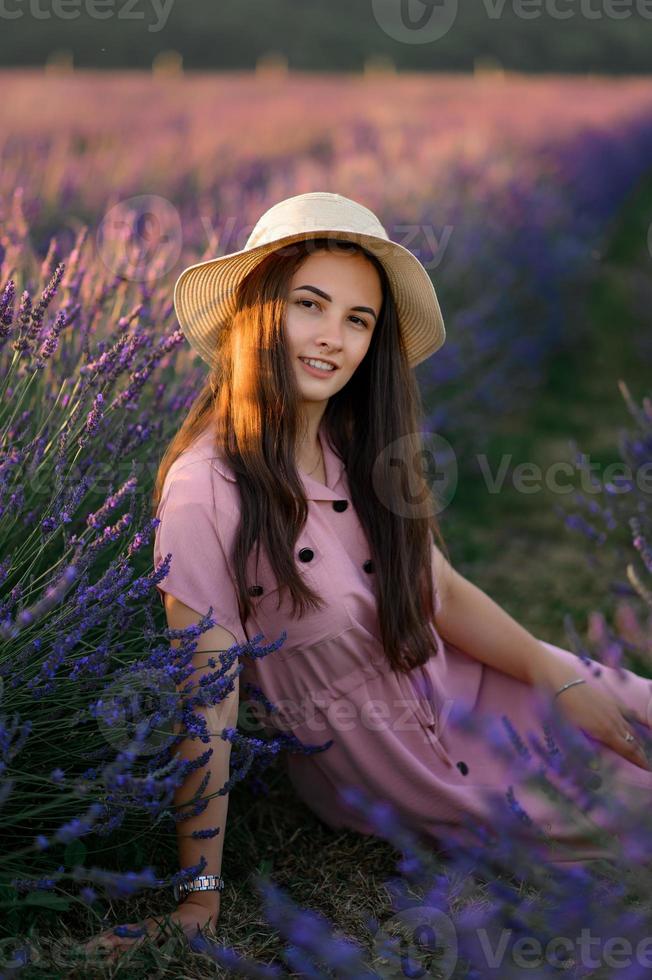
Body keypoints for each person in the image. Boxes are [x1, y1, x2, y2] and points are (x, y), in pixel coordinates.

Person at [84, 191, 652, 960]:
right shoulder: (205, 493)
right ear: (258, 311)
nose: (333, 339)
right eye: (310, 305)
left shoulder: (358, 446)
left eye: (358, 319)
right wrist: (200, 900)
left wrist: (556, 674)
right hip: (414, 770)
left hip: (478, 691)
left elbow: (438, 591)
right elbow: (206, 707)